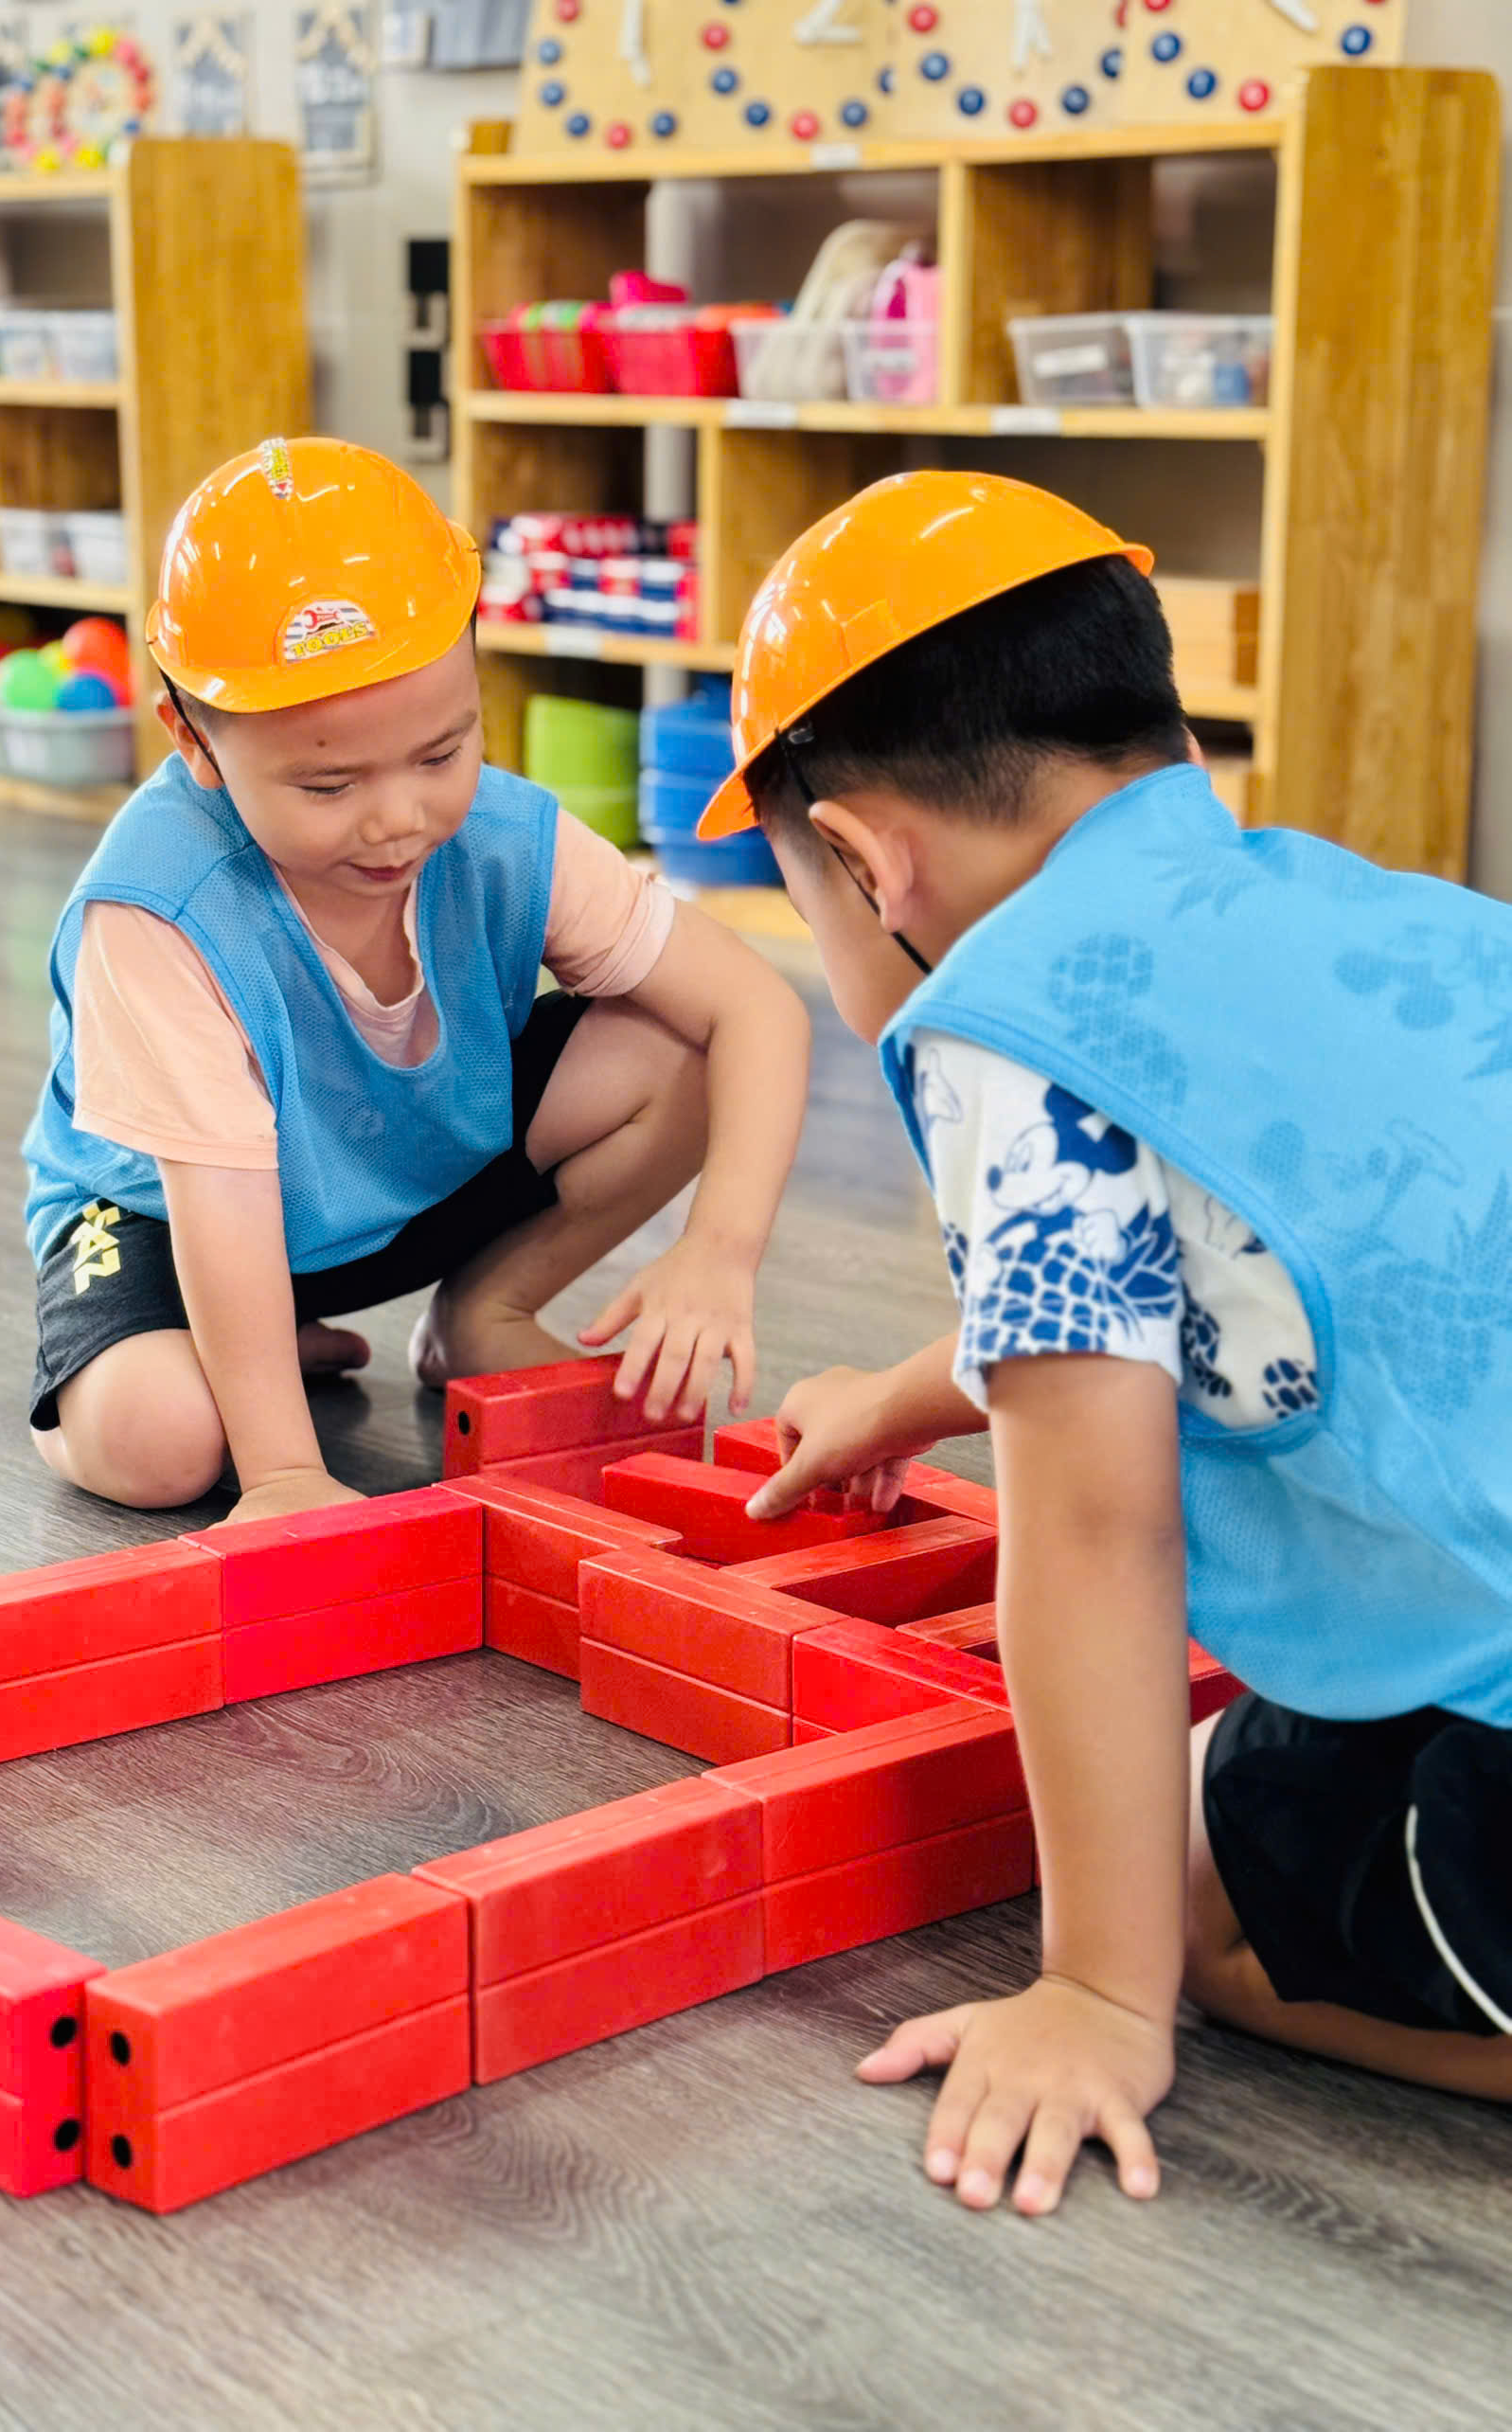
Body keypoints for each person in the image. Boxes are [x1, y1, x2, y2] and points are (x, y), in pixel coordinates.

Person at [705, 469, 1512, 2218]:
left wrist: (1095, 1988)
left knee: (1207, 1914)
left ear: (864, 861)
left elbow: (1094, 1526)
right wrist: (905, 1394)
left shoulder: (1006, 1029)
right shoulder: (1356, 914)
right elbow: (1171, 1280)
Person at [24, 438, 810, 1521]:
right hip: (168, 1219)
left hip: (399, 1186)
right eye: (329, 784)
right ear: (194, 741)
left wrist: (719, 1250)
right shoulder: (158, 908)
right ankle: (184, 1368)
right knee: (158, 1445)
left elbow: (757, 1008)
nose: (399, 819)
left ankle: (484, 1312)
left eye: (442, 754)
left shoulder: (509, 835)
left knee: (683, 1045)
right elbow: (220, 1202)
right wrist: (285, 1474)